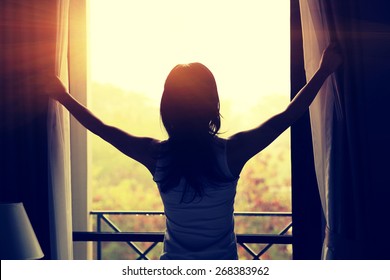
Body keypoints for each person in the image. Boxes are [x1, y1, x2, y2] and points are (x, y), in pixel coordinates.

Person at [44, 44, 342, 259]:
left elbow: (101, 128)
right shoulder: (231, 152)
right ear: (212, 104)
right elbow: (287, 116)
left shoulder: (156, 155)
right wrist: (324, 71)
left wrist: (62, 96)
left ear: (167, 108)